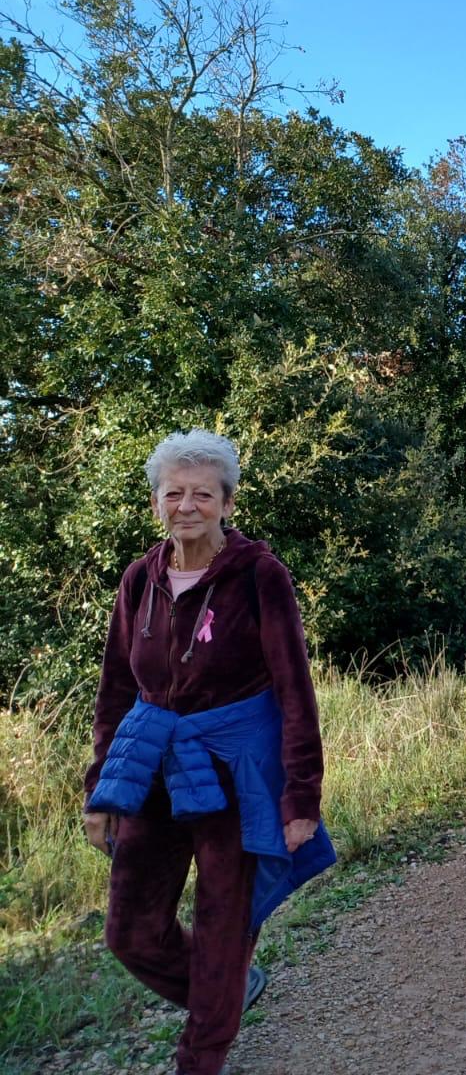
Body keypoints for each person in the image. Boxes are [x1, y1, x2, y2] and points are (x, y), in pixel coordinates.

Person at [82, 429, 334, 1075]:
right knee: (131, 932)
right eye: (174, 494)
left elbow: (295, 691)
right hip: (155, 771)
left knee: (224, 929)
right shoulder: (138, 581)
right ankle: (227, 992)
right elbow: (115, 692)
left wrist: (301, 796)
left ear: (227, 503)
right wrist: (99, 792)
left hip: (235, 775)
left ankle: (201, 1056)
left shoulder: (259, 576)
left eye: (202, 494)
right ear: (156, 503)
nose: (186, 506)